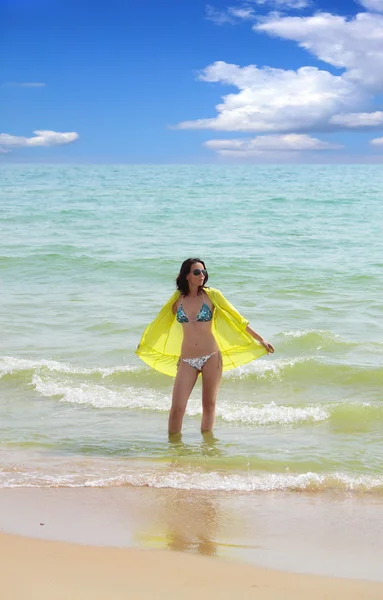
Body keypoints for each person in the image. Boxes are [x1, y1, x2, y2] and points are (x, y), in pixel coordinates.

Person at [136, 258, 274, 435]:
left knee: (208, 405)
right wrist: (147, 342)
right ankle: (174, 451)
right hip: (187, 360)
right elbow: (161, 322)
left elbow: (237, 318)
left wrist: (260, 339)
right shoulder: (177, 300)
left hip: (211, 356)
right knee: (177, 408)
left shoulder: (212, 295)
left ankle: (207, 449)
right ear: (187, 275)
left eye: (203, 272)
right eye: (196, 272)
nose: (202, 275)